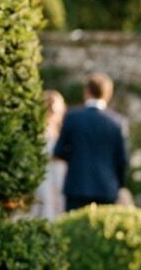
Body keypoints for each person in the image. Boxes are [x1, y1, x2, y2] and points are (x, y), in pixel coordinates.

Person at [53, 72, 129, 212]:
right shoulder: (117, 122)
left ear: (86, 92)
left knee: (73, 230)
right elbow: (122, 159)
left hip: (77, 185)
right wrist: (119, 185)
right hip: (106, 188)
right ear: (108, 94)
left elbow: (58, 151)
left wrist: (76, 156)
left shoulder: (72, 117)